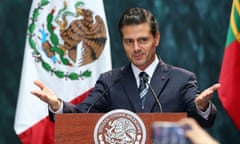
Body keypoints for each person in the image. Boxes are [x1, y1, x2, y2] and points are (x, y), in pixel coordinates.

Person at [31, 7, 220, 128]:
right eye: (129, 41)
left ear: (157, 39)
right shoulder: (110, 81)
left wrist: (200, 106)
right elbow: (81, 117)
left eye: (143, 40)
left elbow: (203, 119)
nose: (136, 48)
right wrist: (57, 105)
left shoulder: (182, 79)